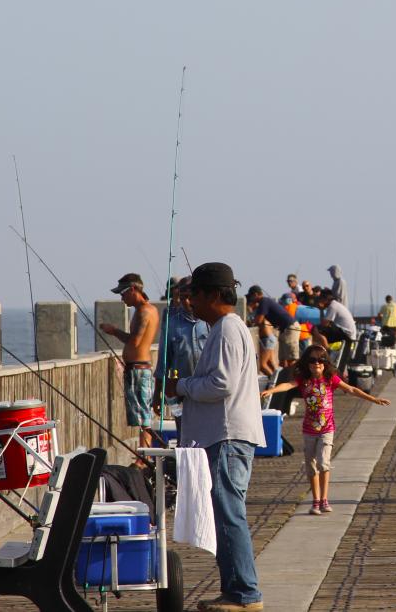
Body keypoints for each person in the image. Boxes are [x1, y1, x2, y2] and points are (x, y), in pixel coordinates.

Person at [171, 262, 265, 612]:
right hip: (223, 436)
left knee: (229, 514)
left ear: (213, 294)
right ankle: (234, 592)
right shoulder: (224, 328)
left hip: (227, 437)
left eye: (193, 293)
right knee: (225, 513)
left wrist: (181, 386)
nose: (188, 300)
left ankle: (245, 595)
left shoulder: (227, 329)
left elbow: (220, 384)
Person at [261, 344, 389, 515]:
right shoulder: (303, 380)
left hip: (327, 428)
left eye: (321, 360)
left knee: (323, 463)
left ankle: (324, 499)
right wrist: (271, 390)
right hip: (309, 430)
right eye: (312, 360)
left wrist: (373, 399)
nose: (317, 364)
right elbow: (287, 385)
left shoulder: (331, 379)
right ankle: (316, 501)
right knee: (311, 467)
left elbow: (351, 389)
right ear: (307, 363)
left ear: (326, 363)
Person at [100, 273, 160, 443]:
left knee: (143, 417)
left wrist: (113, 330)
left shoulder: (144, 311)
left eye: (123, 293)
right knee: (142, 415)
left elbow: (135, 341)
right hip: (138, 368)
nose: (122, 298)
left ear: (133, 289)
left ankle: (145, 456)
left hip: (139, 370)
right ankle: (145, 454)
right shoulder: (147, 310)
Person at [155, 276, 210, 401]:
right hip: (181, 392)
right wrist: (157, 394)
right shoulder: (171, 323)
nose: (186, 302)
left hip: (207, 391)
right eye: (182, 297)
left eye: (190, 297)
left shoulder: (211, 323)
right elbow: (163, 362)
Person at [247, 285, 301, 370]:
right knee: (283, 361)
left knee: (291, 359)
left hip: (290, 328)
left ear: (256, 294)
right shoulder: (265, 302)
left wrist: (250, 311)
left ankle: (294, 380)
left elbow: (259, 320)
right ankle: (284, 380)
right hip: (284, 330)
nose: (251, 299)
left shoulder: (264, 301)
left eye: (251, 296)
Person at [314, 288, 358, 375]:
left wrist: (321, 310)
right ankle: (325, 351)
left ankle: (326, 352)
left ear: (325, 299)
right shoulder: (335, 304)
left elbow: (324, 324)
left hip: (346, 334)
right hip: (347, 333)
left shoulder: (332, 306)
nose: (320, 301)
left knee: (316, 330)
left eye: (321, 299)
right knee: (319, 331)